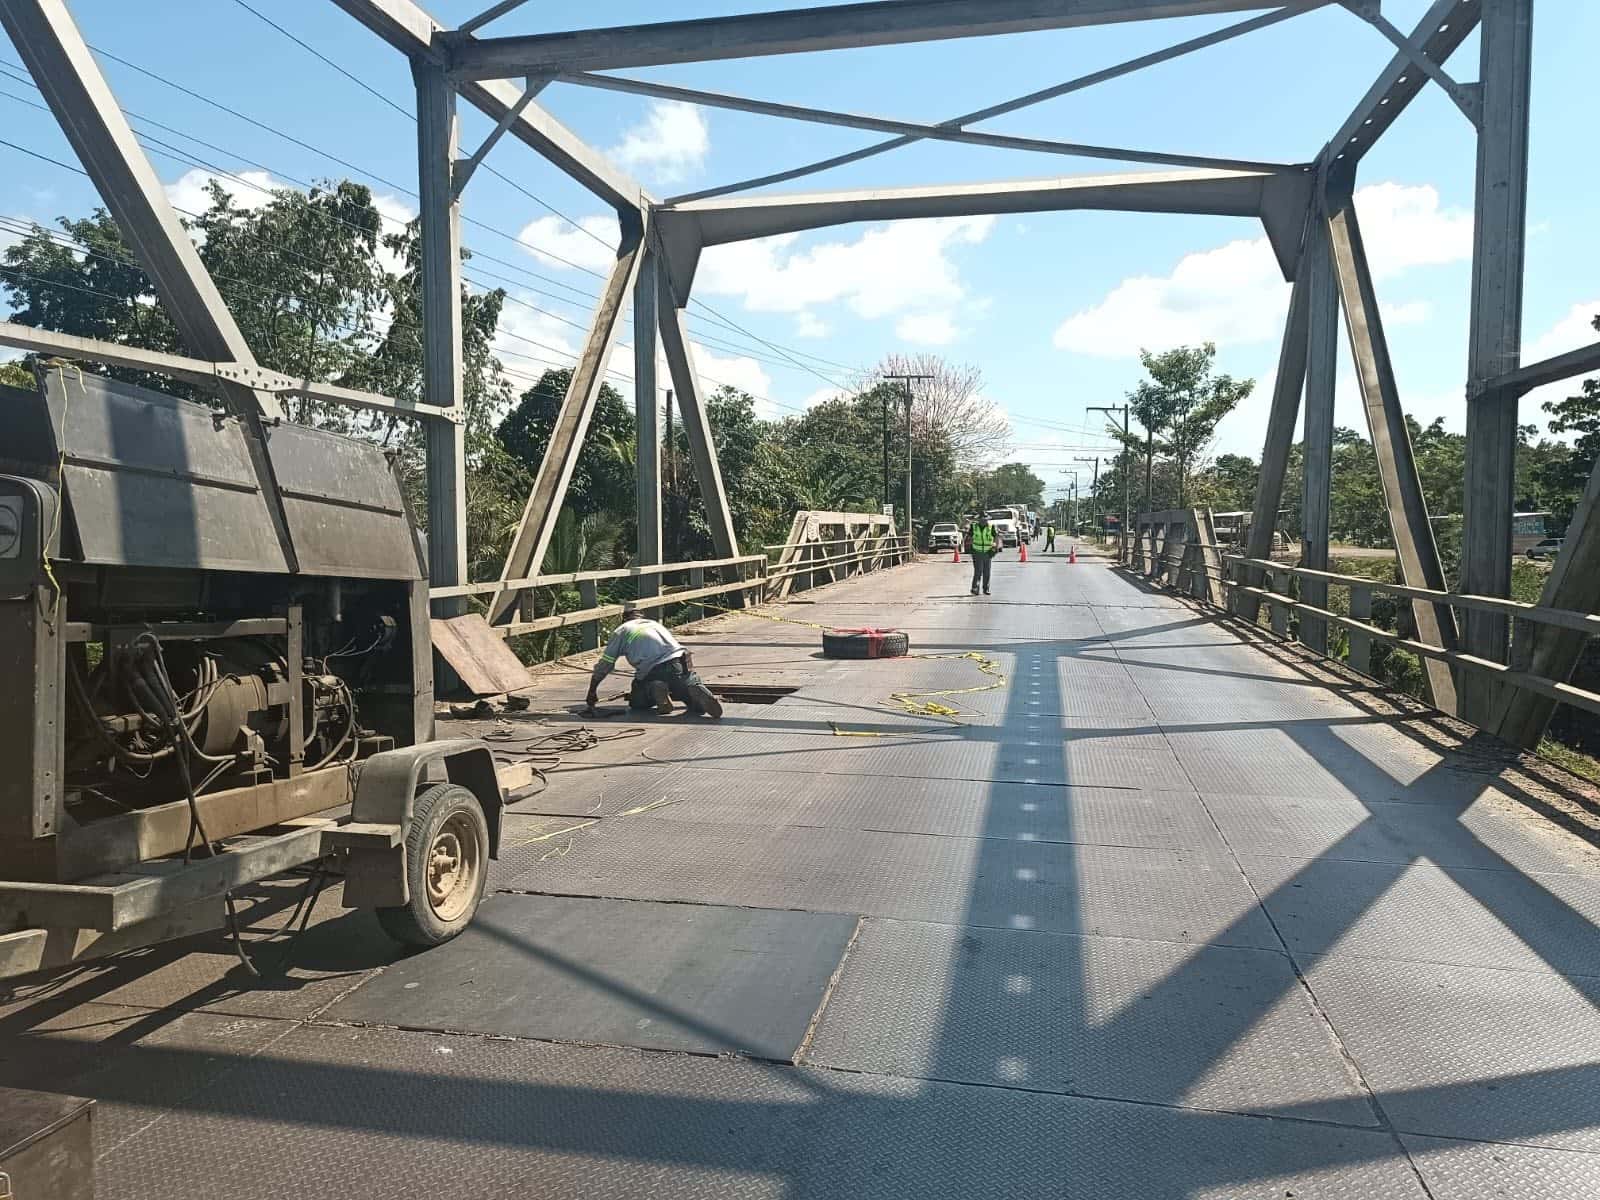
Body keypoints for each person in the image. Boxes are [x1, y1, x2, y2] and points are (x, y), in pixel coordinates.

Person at [586, 605, 723, 718]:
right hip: (680, 662)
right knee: (688, 695)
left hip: (652, 671)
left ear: (624, 619)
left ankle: (654, 689)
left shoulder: (622, 631)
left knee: (637, 702)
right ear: (642, 617)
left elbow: (605, 665)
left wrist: (592, 691)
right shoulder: (655, 624)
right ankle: (693, 689)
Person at [966, 512, 997, 596]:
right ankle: (975, 588)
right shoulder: (974, 527)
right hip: (977, 552)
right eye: (981, 519)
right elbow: (969, 538)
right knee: (978, 571)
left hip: (988, 552)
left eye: (985, 519)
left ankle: (986, 589)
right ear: (978, 520)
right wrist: (969, 548)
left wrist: (994, 548)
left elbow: (996, 538)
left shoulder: (991, 527)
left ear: (987, 519)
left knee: (987, 571)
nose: (983, 521)